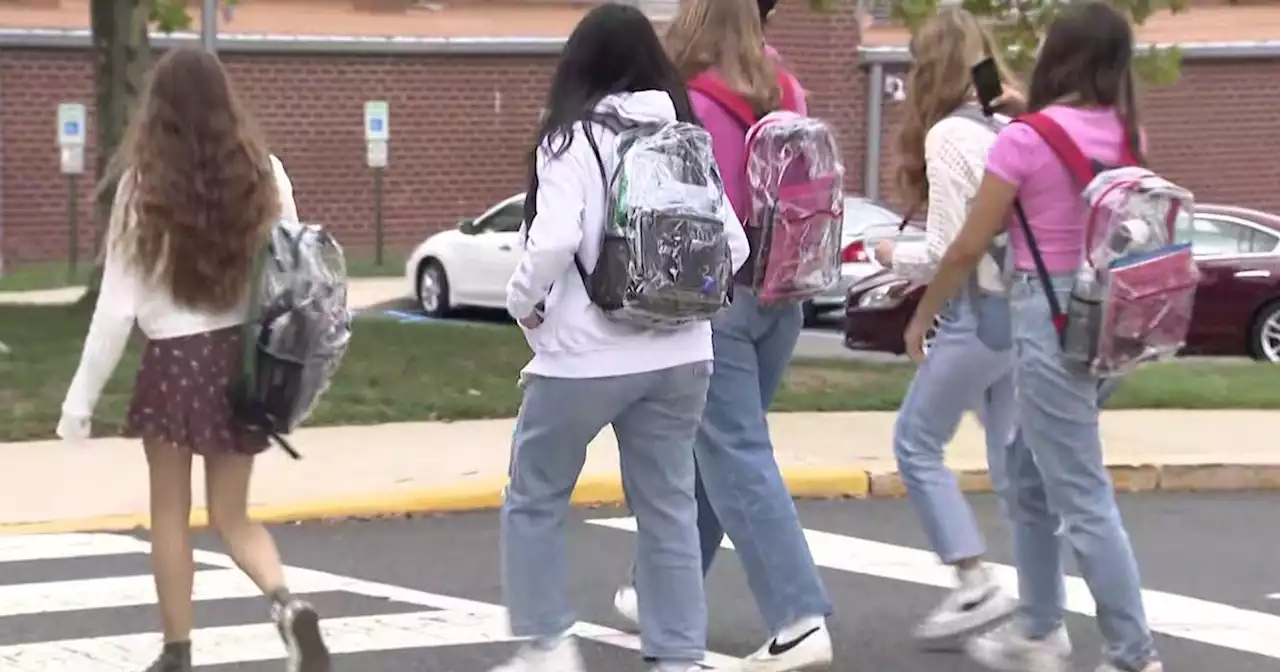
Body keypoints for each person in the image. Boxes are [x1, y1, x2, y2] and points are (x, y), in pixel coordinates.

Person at [902, 3, 1160, 672]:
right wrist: (1026, 115)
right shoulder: (1122, 131)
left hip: (1049, 331)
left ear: (1058, 57)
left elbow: (964, 246)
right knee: (1026, 474)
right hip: (1108, 327)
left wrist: (921, 314)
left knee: (1082, 496)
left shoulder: (1025, 140)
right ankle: (1040, 628)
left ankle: (1133, 654)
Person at [56, 48, 330, 672]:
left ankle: (177, 651)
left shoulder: (141, 188)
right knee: (233, 517)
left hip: (173, 365)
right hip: (245, 363)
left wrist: (79, 403)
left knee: (169, 515)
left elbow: (115, 311)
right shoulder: (267, 175)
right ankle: (289, 605)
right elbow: (293, 274)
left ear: (158, 110)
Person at [493, 3, 749, 672]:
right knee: (667, 504)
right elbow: (736, 247)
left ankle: (548, 643)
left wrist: (521, 304)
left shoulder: (572, 140)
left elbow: (550, 243)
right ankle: (678, 656)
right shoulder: (685, 136)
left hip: (582, 356)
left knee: (535, 494)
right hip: (682, 356)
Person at [613, 0, 835, 670]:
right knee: (718, 457)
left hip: (720, 301)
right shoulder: (784, 86)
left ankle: (800, 618)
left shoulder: (684, 97)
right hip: (783, 296)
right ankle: (657, 597)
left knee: (735, 453)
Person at [870, 6, 1023, 648]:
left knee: (915, 441)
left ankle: (972, 579)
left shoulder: (949, 138)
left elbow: (950, 249)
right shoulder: (1008, 122)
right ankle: (1041, 610)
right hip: (1023, 312)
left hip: (977, 312)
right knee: (1015, 459)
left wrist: (888, 257)